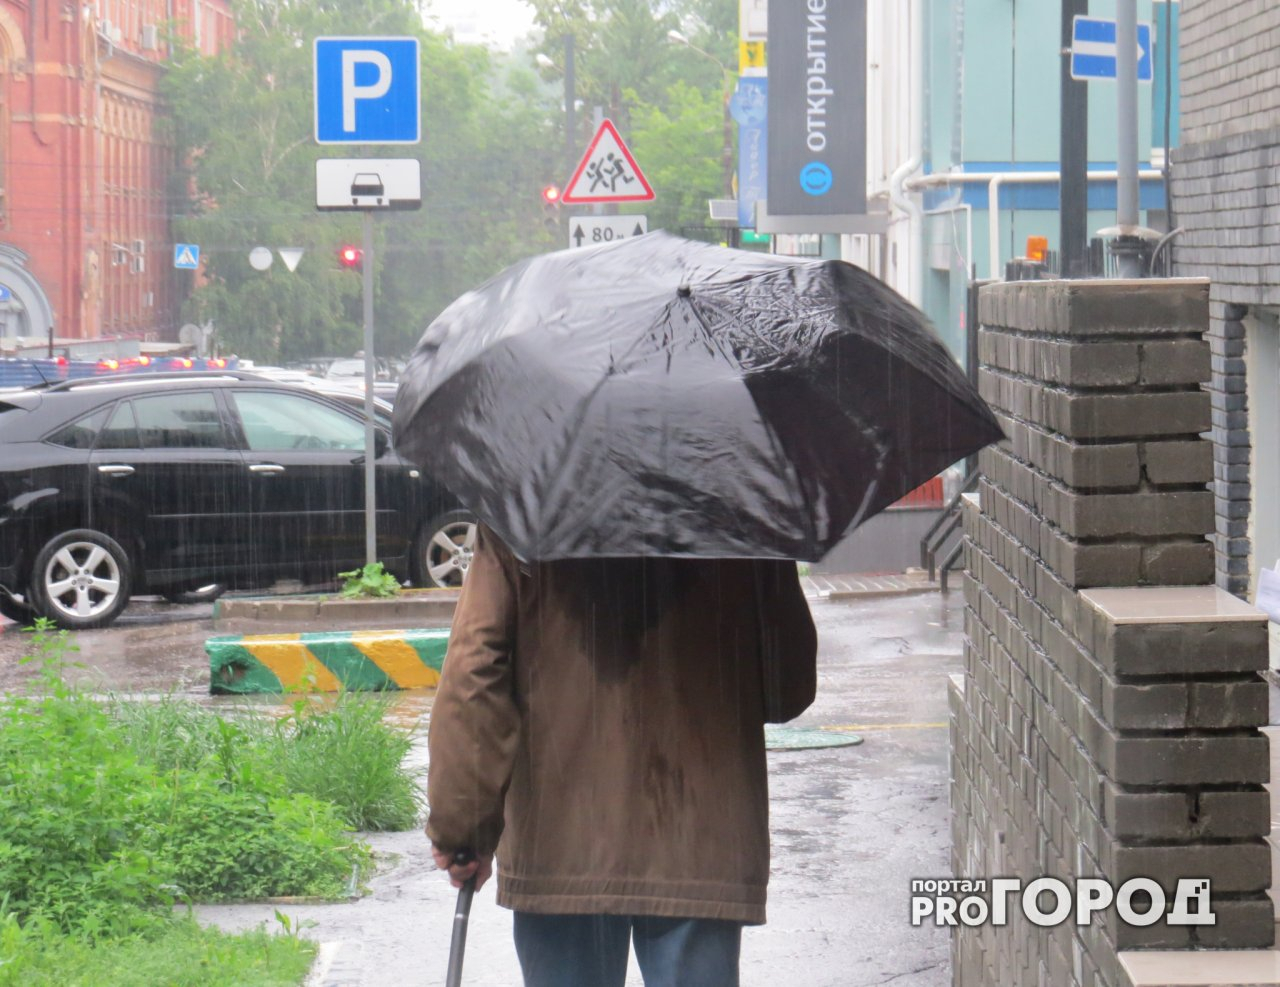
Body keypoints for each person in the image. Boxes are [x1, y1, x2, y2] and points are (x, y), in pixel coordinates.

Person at [427, 523, 818, 986]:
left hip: (562, 842)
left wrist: (464, 827)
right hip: (700, 840)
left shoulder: (521, 510)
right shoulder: (739, 513)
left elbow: (475, 671)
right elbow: (785, 688)